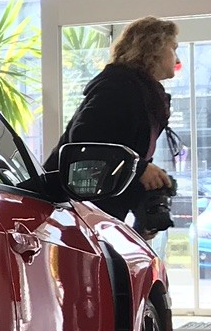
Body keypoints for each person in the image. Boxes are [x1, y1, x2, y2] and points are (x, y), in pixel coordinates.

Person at [58, 16, 179, 228]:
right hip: (76, 212)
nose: (177, 59)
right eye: (173, 48)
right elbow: (84, 141)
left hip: (92, 211)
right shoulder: (119, 87)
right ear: (154, 49)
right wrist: (140, 169)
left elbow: (120, 147)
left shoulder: (138, 90)